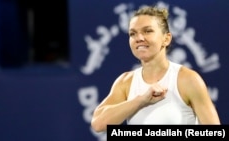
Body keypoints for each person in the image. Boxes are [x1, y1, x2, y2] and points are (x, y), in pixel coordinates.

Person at [91, 5, 221, 132]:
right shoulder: (125, 82)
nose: (139, 38)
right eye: (133, 33)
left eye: (148, 31)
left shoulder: (188, 79)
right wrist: (141, 100)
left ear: (166, 39)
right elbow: (98, 124)